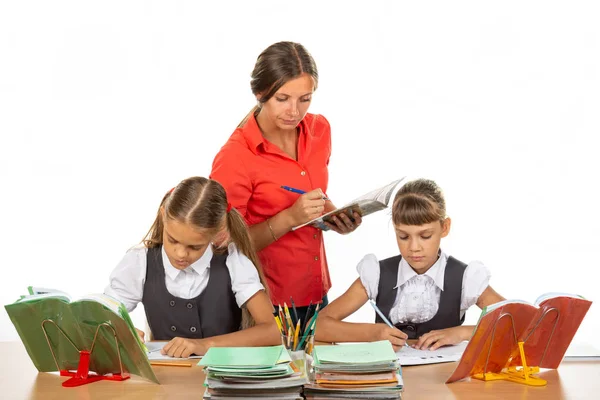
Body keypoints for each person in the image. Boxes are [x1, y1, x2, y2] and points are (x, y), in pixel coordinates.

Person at [210, 41, 360, 324]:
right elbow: (222, 246)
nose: (294, 111)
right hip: (265, 303)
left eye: (305, 98)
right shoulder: (235, 156)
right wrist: (290, 217)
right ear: (260, 93)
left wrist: (334, 215)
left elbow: (314, 193)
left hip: (316, 292)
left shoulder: (320, 130)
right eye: (283, 99)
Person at [315, 178, 505, 350]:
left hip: (444, 382)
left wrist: (461, 333)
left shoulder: (465, 278)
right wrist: (373, 333)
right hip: (390, 381)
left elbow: (516, 324)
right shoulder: (377, 274)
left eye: (425, 236)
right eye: (403, 236)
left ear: (444, 227)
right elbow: (318, 327)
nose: (414, 247)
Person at [104, 177, 280, 358]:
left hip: (223, 378)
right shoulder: (139, 261)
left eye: (194, 247)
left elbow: (273, 331)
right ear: (163, 215)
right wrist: (119, 329)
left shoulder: (233, 262)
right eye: (172, 240)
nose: (180, 254)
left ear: (217, 232)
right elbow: (97, 315)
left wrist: (205, 345)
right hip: (164, 380)